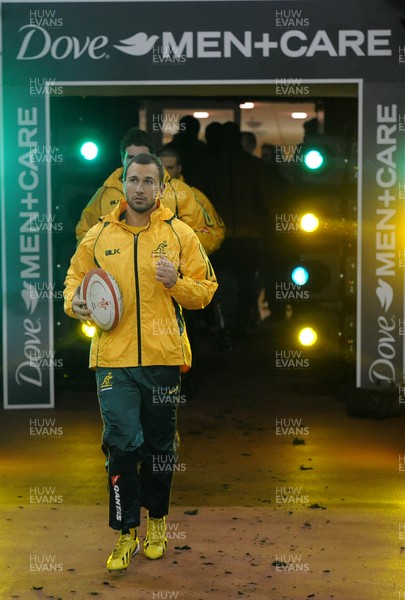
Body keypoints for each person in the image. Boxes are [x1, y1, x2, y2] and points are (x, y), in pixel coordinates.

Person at [64, 153, 218, 571]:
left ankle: (158, 521)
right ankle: (124, 532)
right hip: (113, 360)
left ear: (162, 188)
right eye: (133, 180)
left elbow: (206, 289)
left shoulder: (179, 233)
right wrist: (75, 303)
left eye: (149, 181)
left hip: (163, 359)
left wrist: (177, 283)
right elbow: (75, 280)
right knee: (120, 443)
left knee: (158, 446)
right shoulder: (98, 234)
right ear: (123, 183)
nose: (139, 188)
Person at [75, 127, 222, 255]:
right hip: (119, 283)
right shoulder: (105, 194)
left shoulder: (178, 192)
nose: (136, 162)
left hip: (167, 282)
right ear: (122, 159)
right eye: (131, 157)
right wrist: (105, 254)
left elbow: (210, 233)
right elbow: (84, 233)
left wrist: (176, 252)